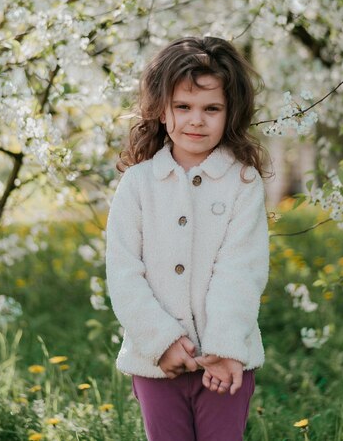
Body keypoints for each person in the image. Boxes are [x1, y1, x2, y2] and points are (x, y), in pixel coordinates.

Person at [105, 36, 270, 441]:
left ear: (230, 114)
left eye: (211, 109)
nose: (196, 120)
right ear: (162, 110)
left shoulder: (242, 183)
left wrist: (226, 346)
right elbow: (124, 271)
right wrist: (159, 340)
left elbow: (241, 269)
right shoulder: (138, 183)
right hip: (156, 362)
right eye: (183, 107)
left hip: (225, 365)